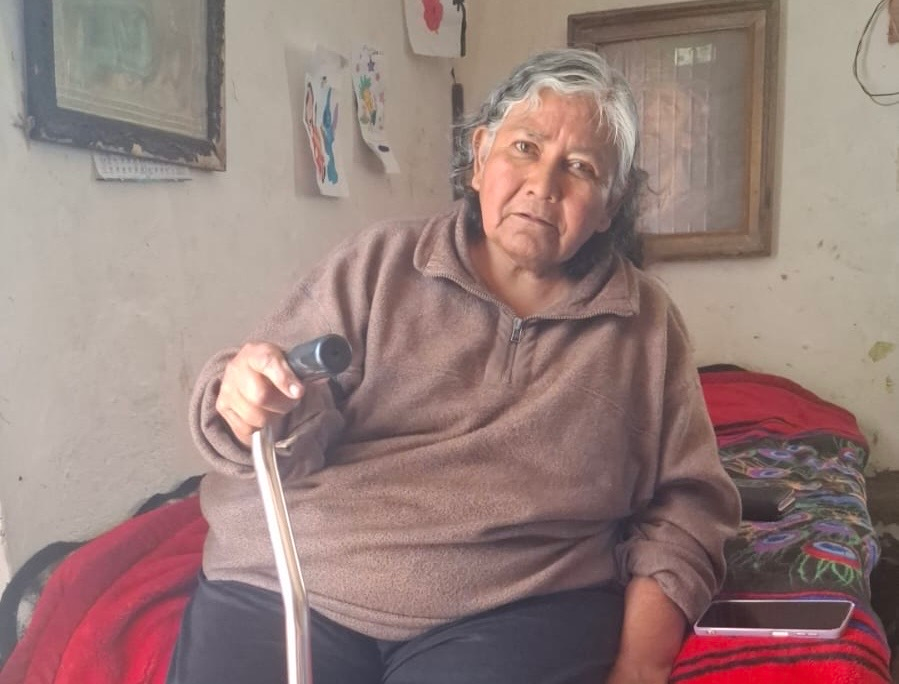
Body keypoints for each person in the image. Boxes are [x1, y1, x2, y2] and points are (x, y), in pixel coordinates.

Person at [167, 48, 740, 684]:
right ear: (480, 155)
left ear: (611, 204)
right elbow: (275, 419)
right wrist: (253, 398)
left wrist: (640, 662)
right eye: (525, 147)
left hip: (512, 608)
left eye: (580, 167)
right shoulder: (378, 263)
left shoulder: (645, 325)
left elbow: (688, 505)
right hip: (290, 582)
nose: (543, 185)